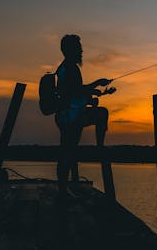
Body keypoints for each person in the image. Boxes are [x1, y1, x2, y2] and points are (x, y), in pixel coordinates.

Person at [54, 34, 113, 198]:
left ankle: (65, 188)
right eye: (78, 47)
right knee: (67, 151)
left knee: (68, 150)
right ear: (70, 50)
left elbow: (75, 93)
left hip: (71, 114)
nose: (81, 50)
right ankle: (63, 190)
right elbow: (75, 92)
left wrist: (91, 96)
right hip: (69, 117)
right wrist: (95, 84)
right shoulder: (70, 68)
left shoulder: (68, 67)